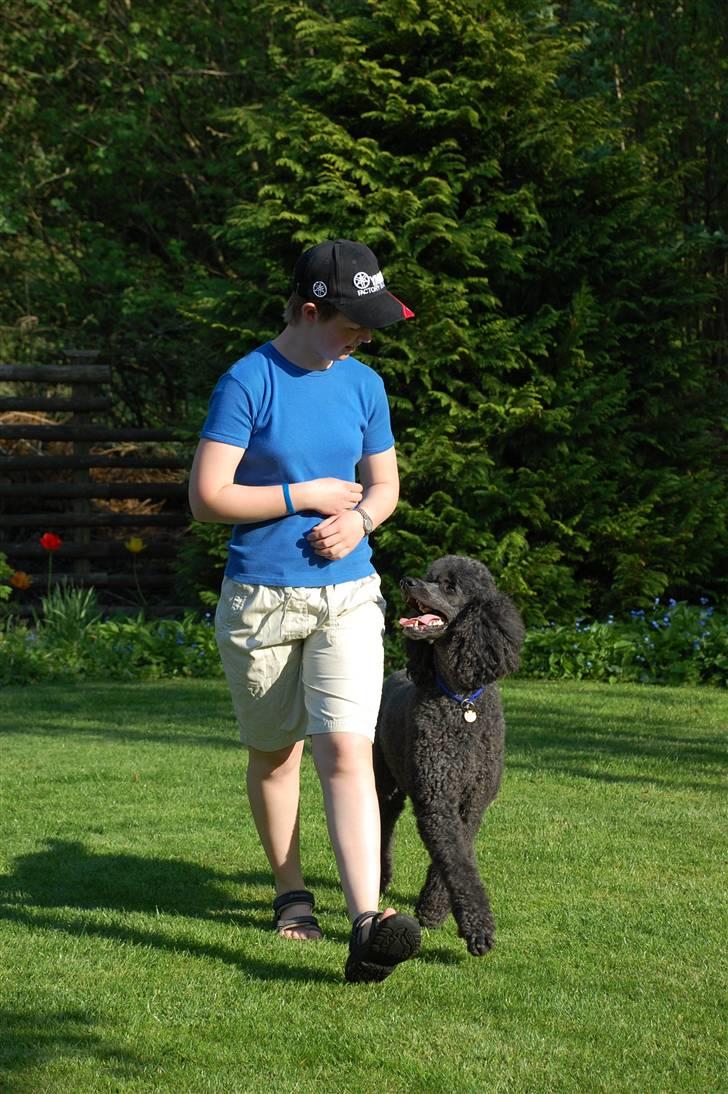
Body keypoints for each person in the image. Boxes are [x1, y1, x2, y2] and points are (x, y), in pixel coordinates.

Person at [188, 239, 421, 982]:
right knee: (275, 753)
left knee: (346, 749)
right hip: (261, 600)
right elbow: (207, 498)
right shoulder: (247, 381)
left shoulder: (364, 385)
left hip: (349, 595)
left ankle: (366, 923)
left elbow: (382, 487)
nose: (364, 337)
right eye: (353, 323)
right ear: (310, 309)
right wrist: (306, 496)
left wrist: (362, 521)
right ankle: (292, 893)